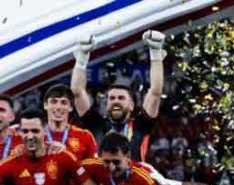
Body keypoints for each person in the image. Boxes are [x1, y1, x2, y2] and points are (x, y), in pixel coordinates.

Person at [70, 30, 166, 161]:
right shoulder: (96, 125)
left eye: (121, 98)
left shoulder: (140, 126)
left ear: (132, 105)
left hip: (133, 180)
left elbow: (155, 92)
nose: (116, 101)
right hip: (101, 181)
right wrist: (82, 57)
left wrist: (155, 52)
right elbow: (77, 92)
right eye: (112, 98)